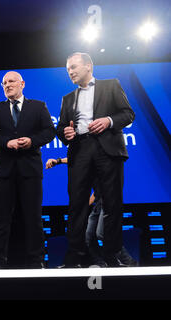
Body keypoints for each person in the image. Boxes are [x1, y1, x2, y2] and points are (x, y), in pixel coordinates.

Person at [56, 52, 135, 267]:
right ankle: (75, 257)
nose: (70, 71)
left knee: (112, 203)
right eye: (68, 69)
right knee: (76, 205)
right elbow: (61, 127)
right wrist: (66, 133)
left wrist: (108, 120)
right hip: (80, 149)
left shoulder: (111, 85)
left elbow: (128, 114)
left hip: (107, 148)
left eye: (73, 66)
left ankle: (112, 255)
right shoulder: (68, 98)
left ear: (88, 66)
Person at [0, 71, 55, 269]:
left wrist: (32, 141)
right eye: (4, 83)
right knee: (1, 219)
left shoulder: (38, 106)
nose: (7, 85)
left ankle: (37, 260)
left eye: (11, 81)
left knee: (33, 217)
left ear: (22, 84)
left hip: (30, 170)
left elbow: (49, 131)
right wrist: (7, 143)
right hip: (5, 171)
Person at [45, 157, 138, 267]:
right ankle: (101, 263)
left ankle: (128, 262)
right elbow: (97, 192)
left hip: (109, 200)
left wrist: (59, 161)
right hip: (99, 202)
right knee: (88, 236)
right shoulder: (89, 170)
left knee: (102, 234)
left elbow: (77, 158)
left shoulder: (96, 158)